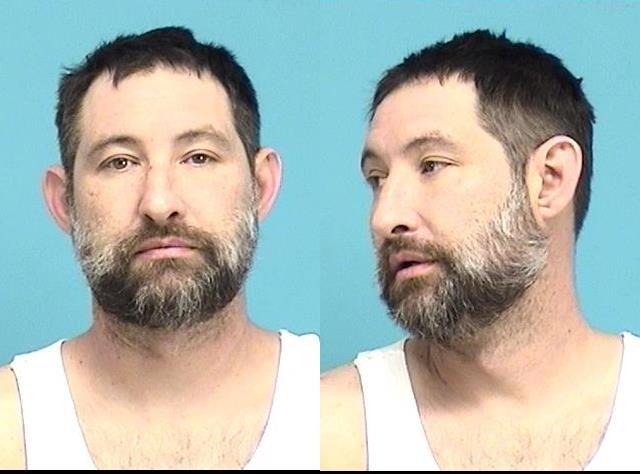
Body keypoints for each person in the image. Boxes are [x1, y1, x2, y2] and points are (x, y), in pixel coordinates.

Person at [0, 26, 318, 469]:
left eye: (199, 157)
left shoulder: (330, 403)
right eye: (120, 162)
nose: (159, 203)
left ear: (260, 186)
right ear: (64, 202)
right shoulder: (8, 426)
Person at [321, 29, 639, 470]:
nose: (383, 217)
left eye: (432, 165)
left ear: (549, 179)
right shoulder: (328, 430)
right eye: (377, 179)